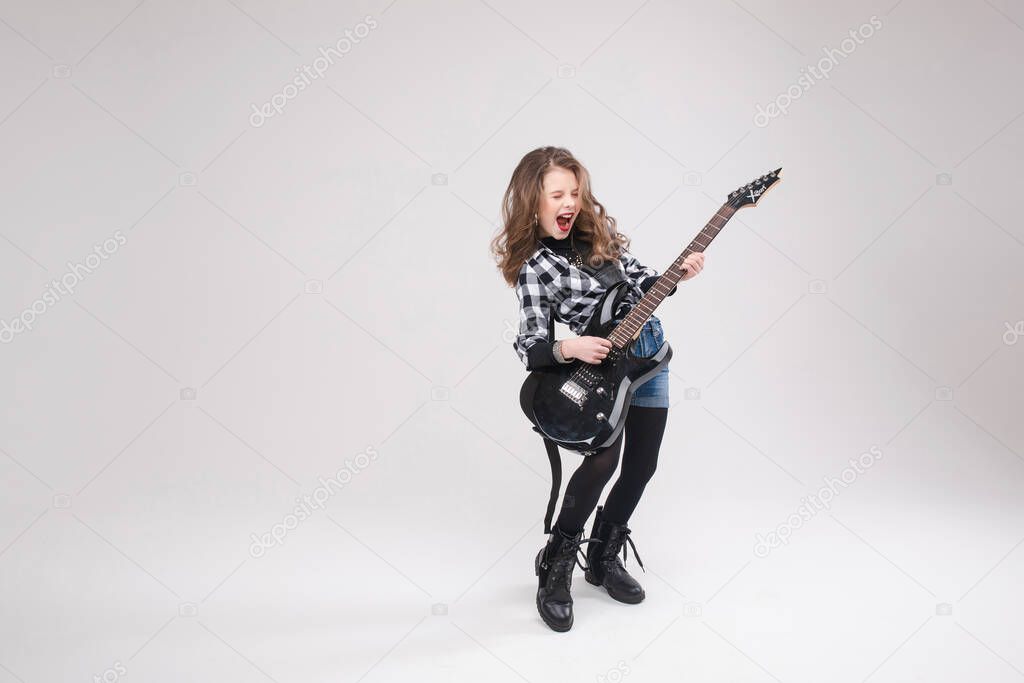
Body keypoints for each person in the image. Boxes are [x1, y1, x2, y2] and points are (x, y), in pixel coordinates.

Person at [490, 146, 705, 632]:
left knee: (643, 464)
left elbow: (642, 280)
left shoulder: (597, 237)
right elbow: (529, 345)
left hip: (651, 358)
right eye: (557, 193)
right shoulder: (535, 267)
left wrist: (680, 273)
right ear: (534, 201)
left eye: (575, 192)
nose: (569, 201)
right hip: (606, 372)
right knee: (603, 461)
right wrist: (572, 347)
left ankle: (603, 556)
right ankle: (558, 560)